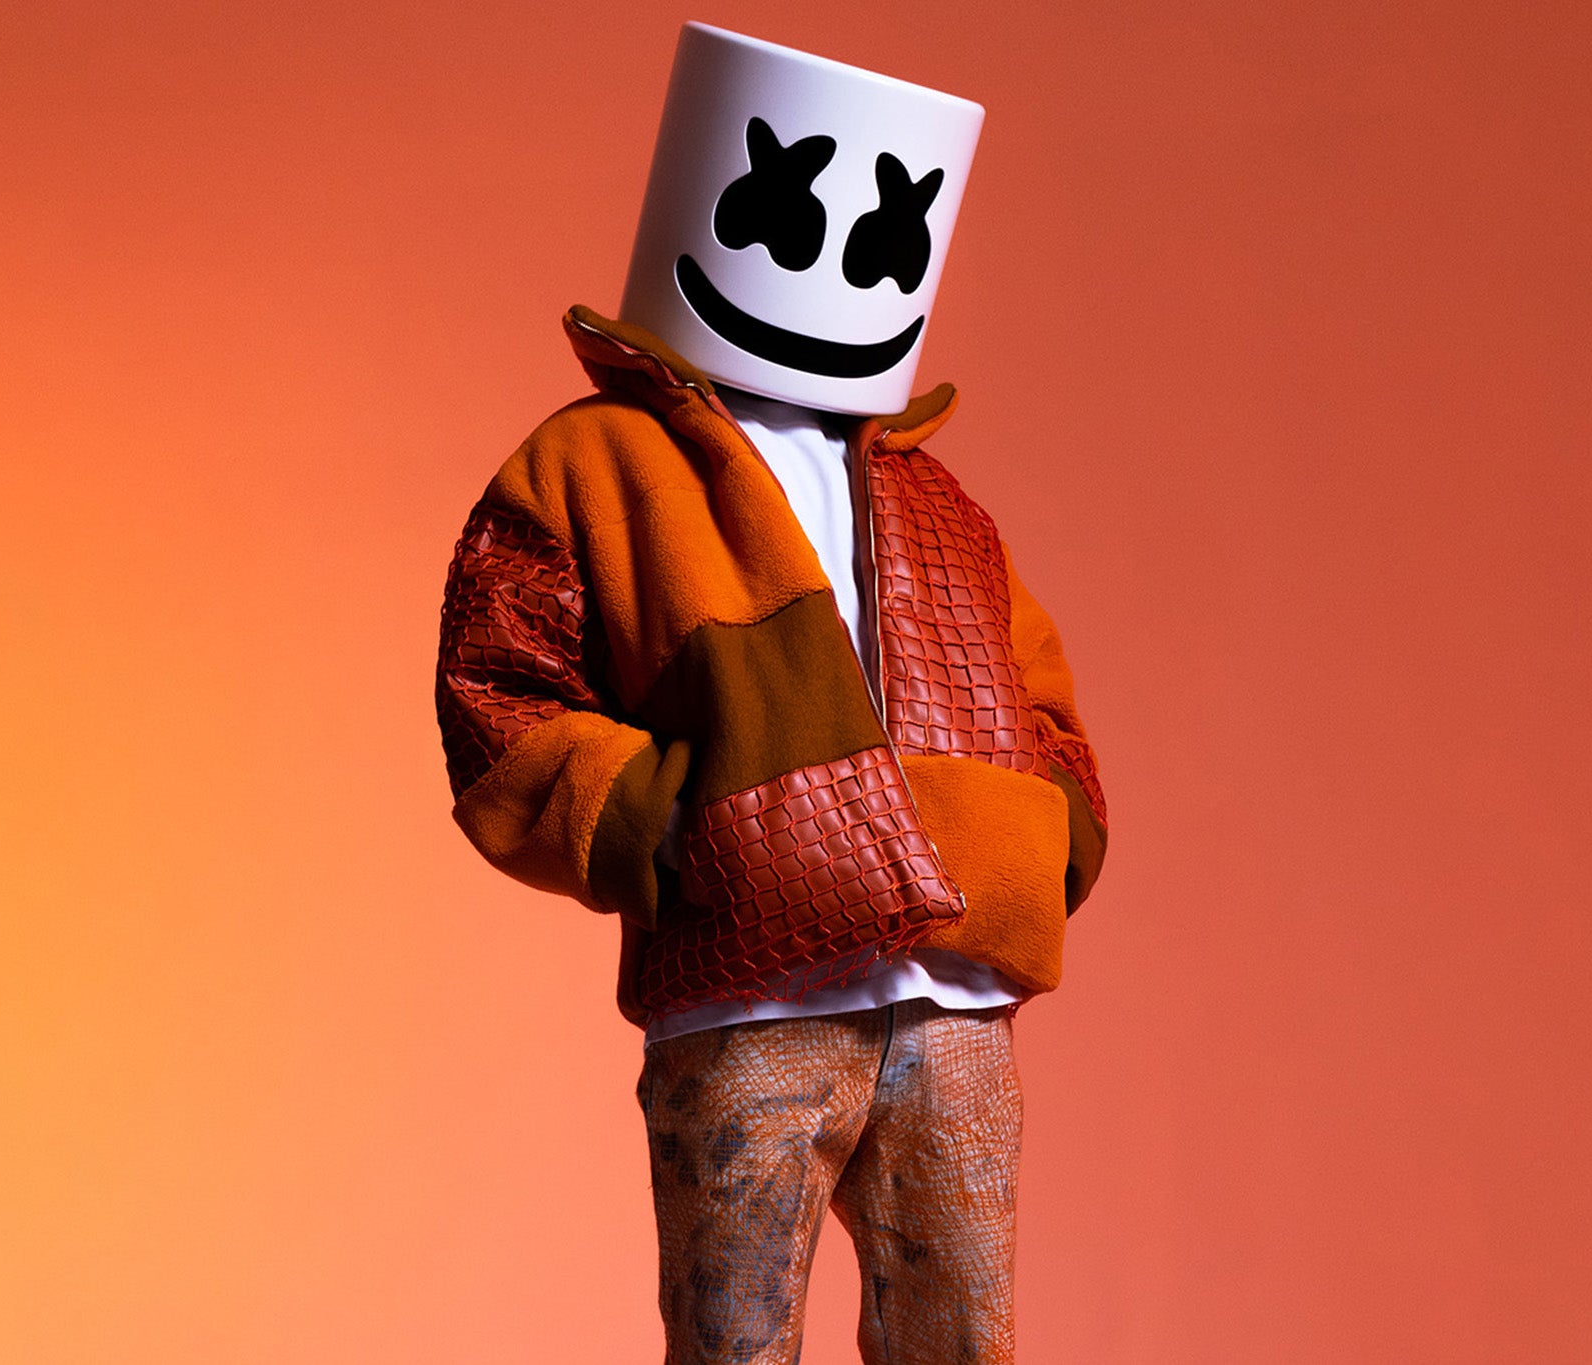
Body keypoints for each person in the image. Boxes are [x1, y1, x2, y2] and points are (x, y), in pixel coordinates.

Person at [435, 24, 1106, 1364]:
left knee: (966, 1347)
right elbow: (499, 696)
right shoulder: (591, 464)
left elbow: (1039, 694)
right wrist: (677, 832)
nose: (839, 257)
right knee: (733, 1349)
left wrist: (1051, 837)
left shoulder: (936, 497)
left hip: (956, 1008)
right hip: (746, 1005)